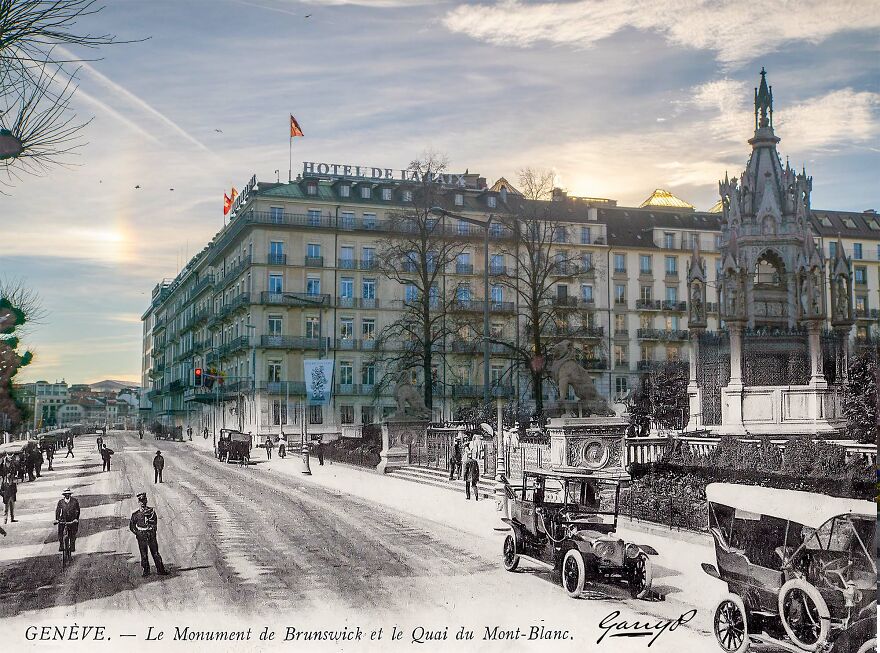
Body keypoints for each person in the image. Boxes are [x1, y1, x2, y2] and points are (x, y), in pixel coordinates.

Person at [129, 492, 168, 577]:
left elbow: (155, 523)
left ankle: (160, 570)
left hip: (151, 535)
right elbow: (132, 526)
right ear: (138, 503)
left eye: (144, 501)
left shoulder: (151, 512)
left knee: (155, 553)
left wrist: (152, 531)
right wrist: (138, 533)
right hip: (141, 536)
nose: (142, 503)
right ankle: (146, 570)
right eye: (141, 501)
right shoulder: (135, 514)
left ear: (146, 501)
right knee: (143, 554)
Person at [55, 488, 80, 552]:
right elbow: (58, 511)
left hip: (72, 519)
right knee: (60, 532)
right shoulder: (61, 502)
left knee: (73, 533)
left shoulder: (74, 501)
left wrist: (76, 519)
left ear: (70, 494)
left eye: (68, 494)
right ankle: (61, 544)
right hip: (63, 519)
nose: (67, 495)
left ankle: (72, 545)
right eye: (66, 494)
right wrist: (57, 519)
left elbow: (77, 510)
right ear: (64, 495)